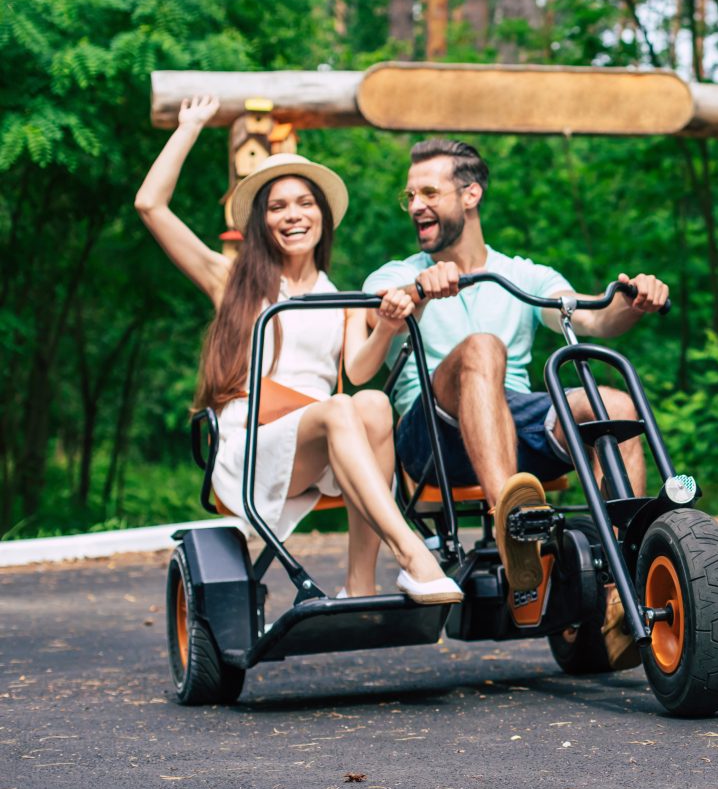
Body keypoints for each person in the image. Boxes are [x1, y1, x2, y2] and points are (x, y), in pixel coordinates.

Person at [134, 95, 462, 605]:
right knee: (340, 409)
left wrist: (385, 328)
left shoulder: (340, 298)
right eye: (278, 206)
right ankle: (413, 555)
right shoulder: (231, 280)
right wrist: (191, 126)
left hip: (319, 446)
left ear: (322, 216)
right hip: (251, 447)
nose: (294, 215)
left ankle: (360, 584)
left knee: (372, 403)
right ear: (262, 221)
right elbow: (150, 206)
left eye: (305, 203)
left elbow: (359, 371)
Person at [363, 139, 667, 650]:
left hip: (513, 422)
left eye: (429, 192)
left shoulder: (523, 275)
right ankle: (518, 538)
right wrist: (419, 290)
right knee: (482, 348)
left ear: (471, 195)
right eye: (409, 195)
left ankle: (619, 594)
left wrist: (633, 302)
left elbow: (593, 320)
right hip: (432, 437)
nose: (415, 205)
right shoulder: (399, 272)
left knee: (614, 406)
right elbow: (377, 315)